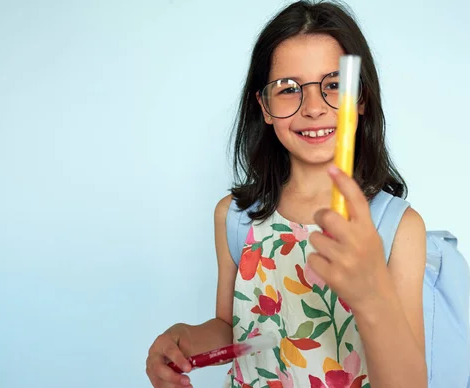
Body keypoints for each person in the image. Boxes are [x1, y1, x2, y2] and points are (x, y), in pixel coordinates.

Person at [146, 1, 428, 387]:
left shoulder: (398, 228)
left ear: (360, 98)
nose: (313, 107)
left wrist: (372, 294)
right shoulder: (235, 217)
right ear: (263, 105)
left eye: (333, 85)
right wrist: (187, 340)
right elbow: (235, 329)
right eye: (288, 89)